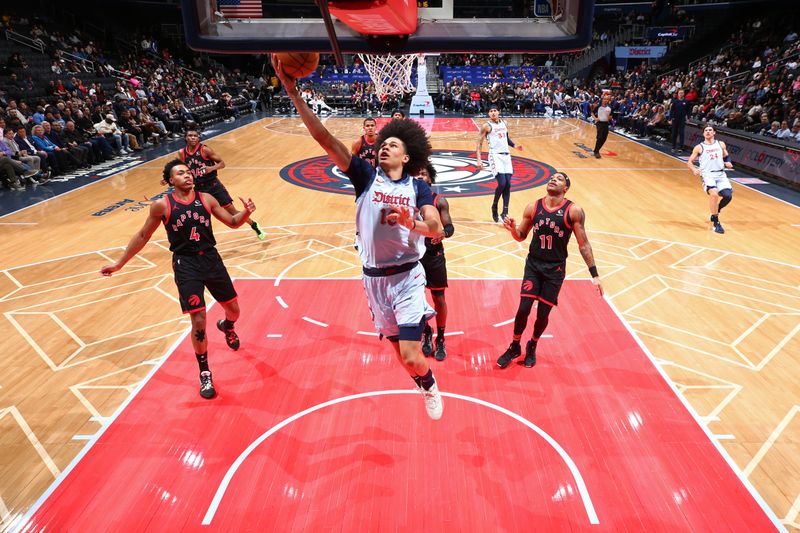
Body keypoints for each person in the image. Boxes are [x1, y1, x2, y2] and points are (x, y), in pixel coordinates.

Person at [273, 54, 445, 420]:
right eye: (384, 142)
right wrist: (294, 93)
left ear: (407, 154)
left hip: (408, 277)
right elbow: (324, 138)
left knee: (414, 357)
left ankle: (429, 384)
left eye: (394, 145)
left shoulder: (418, 189)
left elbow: (437, 229)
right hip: (373, 280)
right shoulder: (365, 176)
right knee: (402, 357)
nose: (385, 146)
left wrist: (410, 223)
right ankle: (420, 379)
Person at [100, 159, 256, 399]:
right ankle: (205, 372)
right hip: (186, 264)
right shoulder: (161, 206)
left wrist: (246, 213)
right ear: (170, 180)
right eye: (180, 173)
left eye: (188, 172)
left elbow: (233, 223)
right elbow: (143, 235)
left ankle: (228, 326)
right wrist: (119, 263)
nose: (187, 175)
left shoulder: (207, 199)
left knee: (234, 310)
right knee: (199, 320)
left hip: (211, 260)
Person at [497, 171, 603, 368]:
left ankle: (533, 345)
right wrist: (512, 229)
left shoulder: (574, 211)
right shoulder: (533, 207)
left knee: (543, 314)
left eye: (559, 178)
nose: (553, 179)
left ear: (566, 188)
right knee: (523, 309)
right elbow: (521, 236)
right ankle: (514, 345)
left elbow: (584, 244)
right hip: (534, 266)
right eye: (552, 177)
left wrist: (594, 274)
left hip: (555, 270)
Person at [178, 129, 266, 240]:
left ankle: (254, 225)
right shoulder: (182, 153)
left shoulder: (205, 150)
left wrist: (211, 168)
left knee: (232, 212)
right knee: (198, 213)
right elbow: (183, 167)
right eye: (190, 135)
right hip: (199, 188)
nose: (193, 137)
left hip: (213, 185)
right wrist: (168, 178)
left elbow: (222, 163)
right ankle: (198, 237)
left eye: (195, 135)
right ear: (185, 137)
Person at [417, 162, 453, 362]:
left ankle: (440, 337)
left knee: (438, 299)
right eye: (417, 174)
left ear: (430, 179)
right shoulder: (407, 199)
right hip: (413, 256)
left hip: (434, 256)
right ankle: (426, 331)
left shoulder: (439, 201)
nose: (420, 177)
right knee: (416, 300)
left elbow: (449, 227)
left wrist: (443, 234)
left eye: (423, 174)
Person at [476, 104, 524, 223]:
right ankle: (494, 206)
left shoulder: (504, 123)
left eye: (495, 111)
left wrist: (515, 146)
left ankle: (505, 212)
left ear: (499, 112)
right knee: (502, 183)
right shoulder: (486, 126)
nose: (493, 113)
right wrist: (479, 159)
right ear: (488, 113)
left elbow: (506, 139)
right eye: (491, 111)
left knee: (508, 184)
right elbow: (479, 143)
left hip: (506, 156)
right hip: (495, 155)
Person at [686, 123, 734, 234]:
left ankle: (716, 210)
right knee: (714, 194)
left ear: (714, 132)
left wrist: (728, 162)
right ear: (703, 133)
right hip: (707, 175)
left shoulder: (720, 144)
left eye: (710, 130)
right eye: (706, 130)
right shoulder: (699, 147)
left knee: (728, 196)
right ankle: (716, 222)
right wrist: (694, 170)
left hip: (721, 174)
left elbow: (726, 156)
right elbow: (689, 162)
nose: (708, 131)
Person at [591, 94, 611, 158]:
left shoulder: (610, 108)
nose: (606, 100)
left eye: (607, 99)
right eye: (605, 99)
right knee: (600, 137)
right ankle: (596, 152)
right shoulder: (598, 106)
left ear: (608, 100)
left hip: (606, 124)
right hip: (599, 123)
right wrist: (595, 118)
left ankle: (596, 150)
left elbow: (611, 116)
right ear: (602, 100)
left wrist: (610, 118)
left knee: (604, 138)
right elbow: (592, 113)